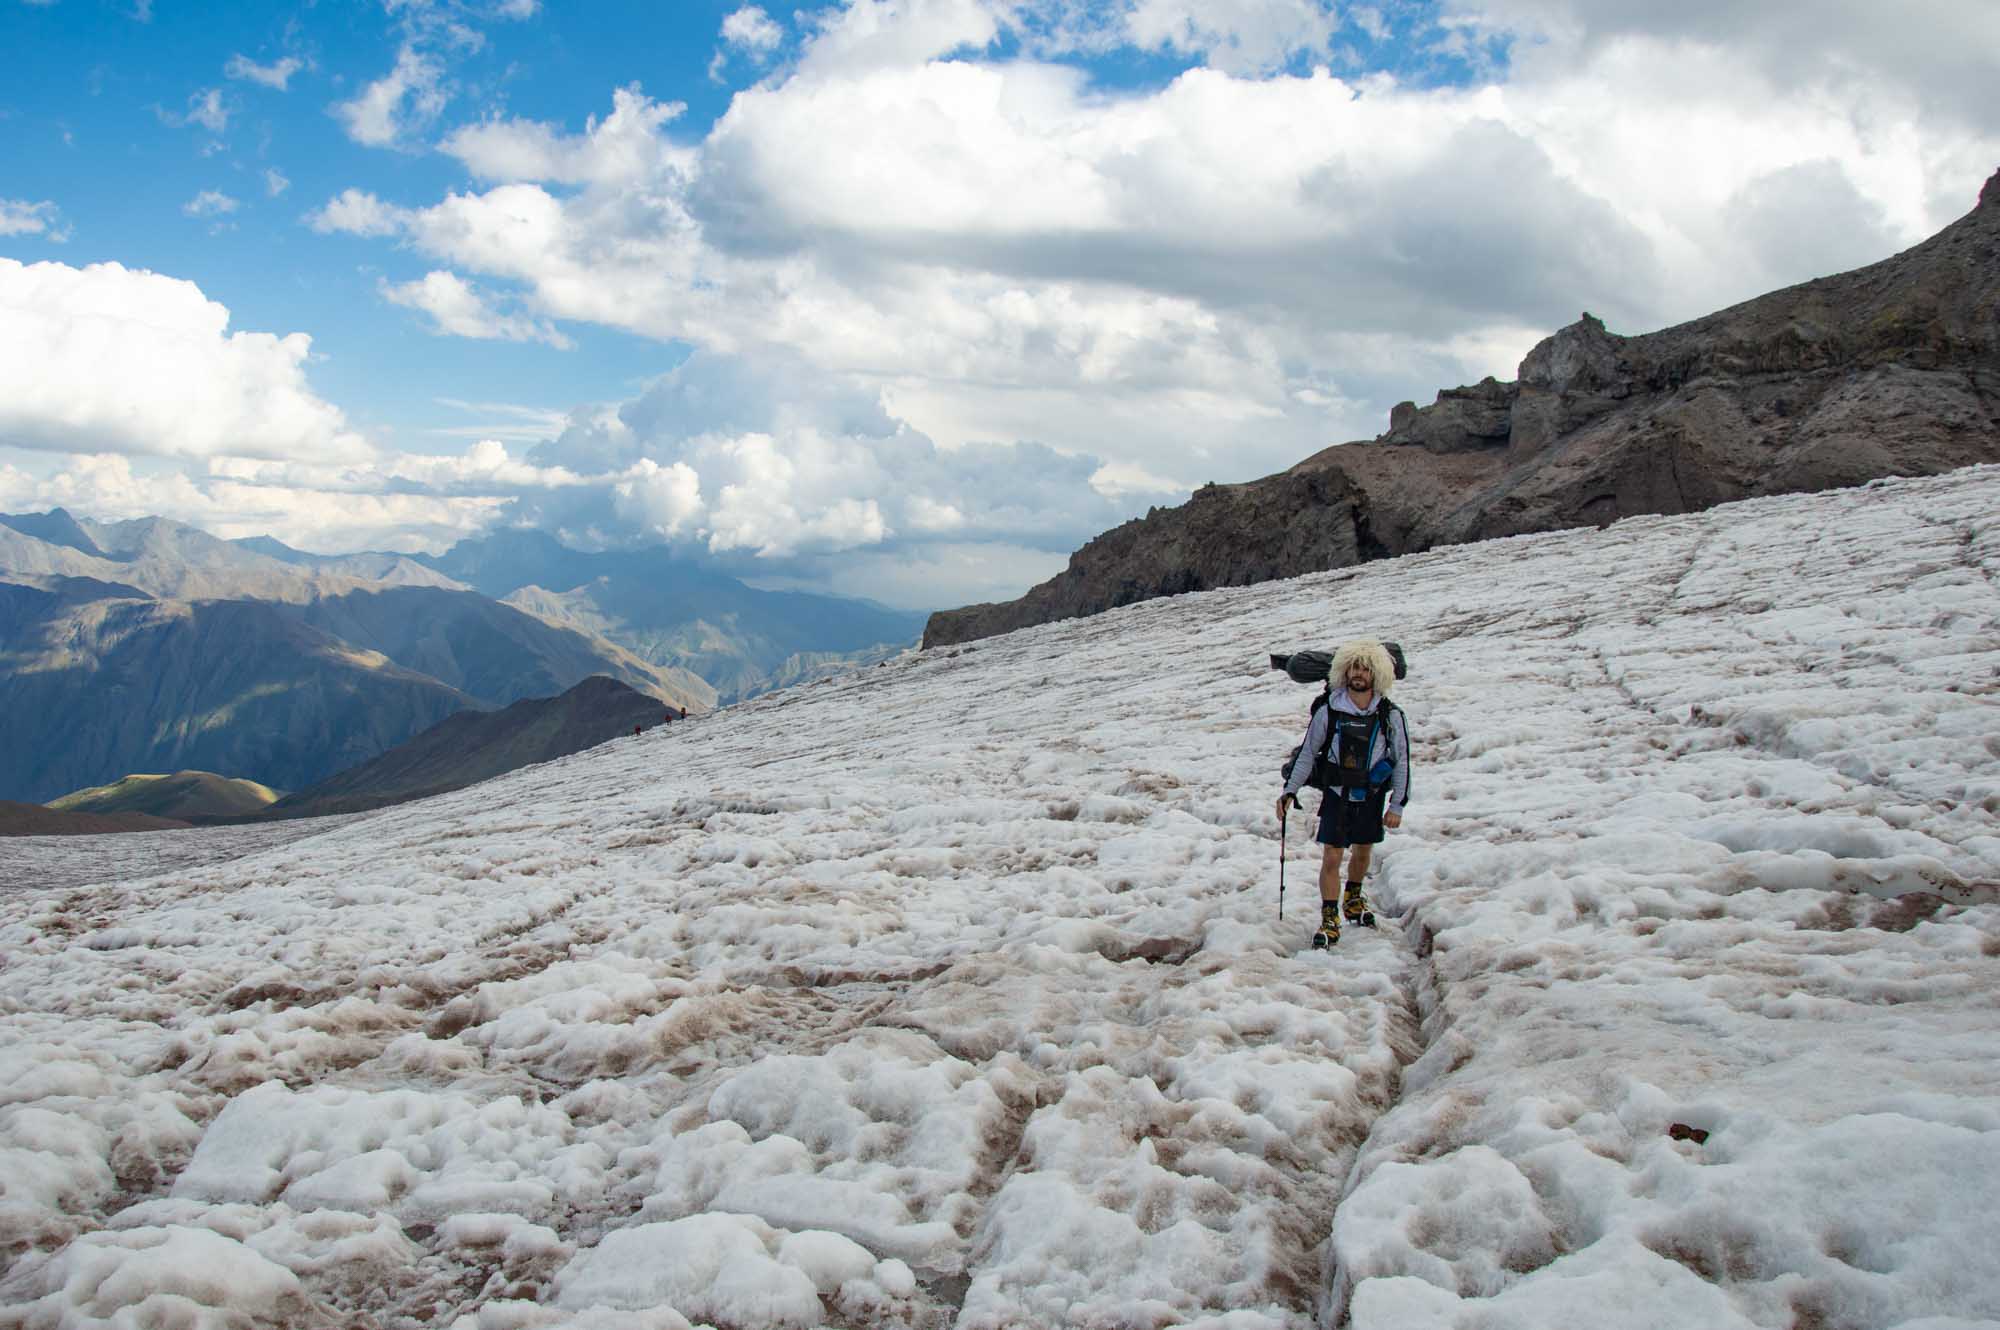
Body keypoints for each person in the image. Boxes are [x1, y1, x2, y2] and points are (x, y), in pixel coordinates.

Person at [1274, 639, 1410, 948]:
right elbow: (1309, 751)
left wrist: (1397, 804)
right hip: (1337, 793)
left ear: (1377, 674)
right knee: (1332, 855)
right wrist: (1288, 791)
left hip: (1371, 794)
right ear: (1343, 671)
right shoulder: (1329, 710)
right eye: (1353, 667)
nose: (1358, 673)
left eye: (1365, 668)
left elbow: (1401, 760)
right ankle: (1329, 917)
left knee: (1363, 851)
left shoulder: (1391, 715)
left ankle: (1352, 897)